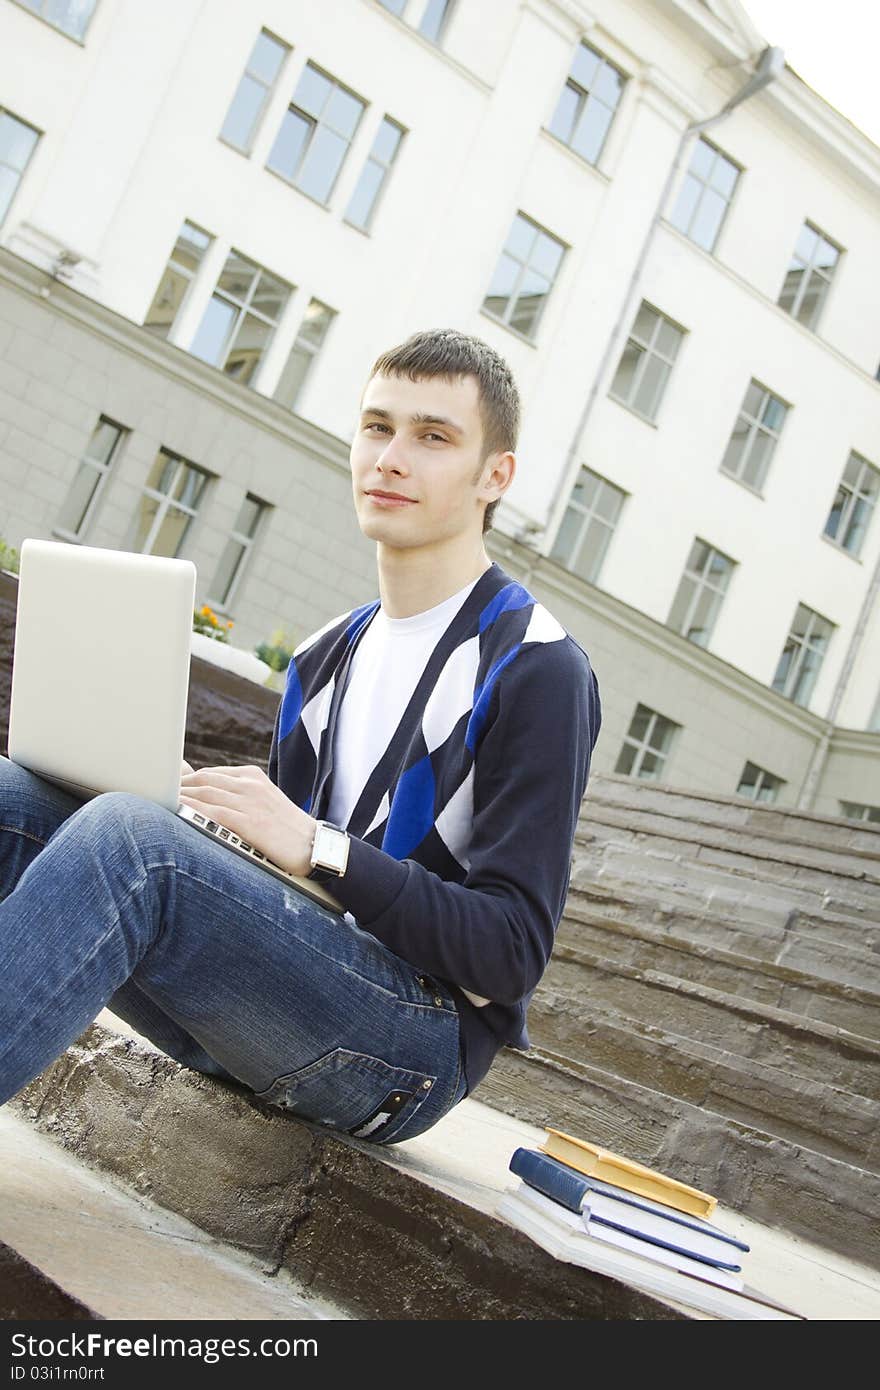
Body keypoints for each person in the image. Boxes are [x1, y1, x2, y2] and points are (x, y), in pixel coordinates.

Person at [0, 328, 601, 1145]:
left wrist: (319, 845)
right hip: (280, 992)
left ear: (495, 476)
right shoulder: (325, 656)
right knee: (16, 802)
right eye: (377, 426)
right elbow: (284, 889)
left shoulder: (536, 667)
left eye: (433, 437)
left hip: (412, 1049)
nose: (390, 458)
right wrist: (200, 814)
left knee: (132, 845)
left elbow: (510, 952)